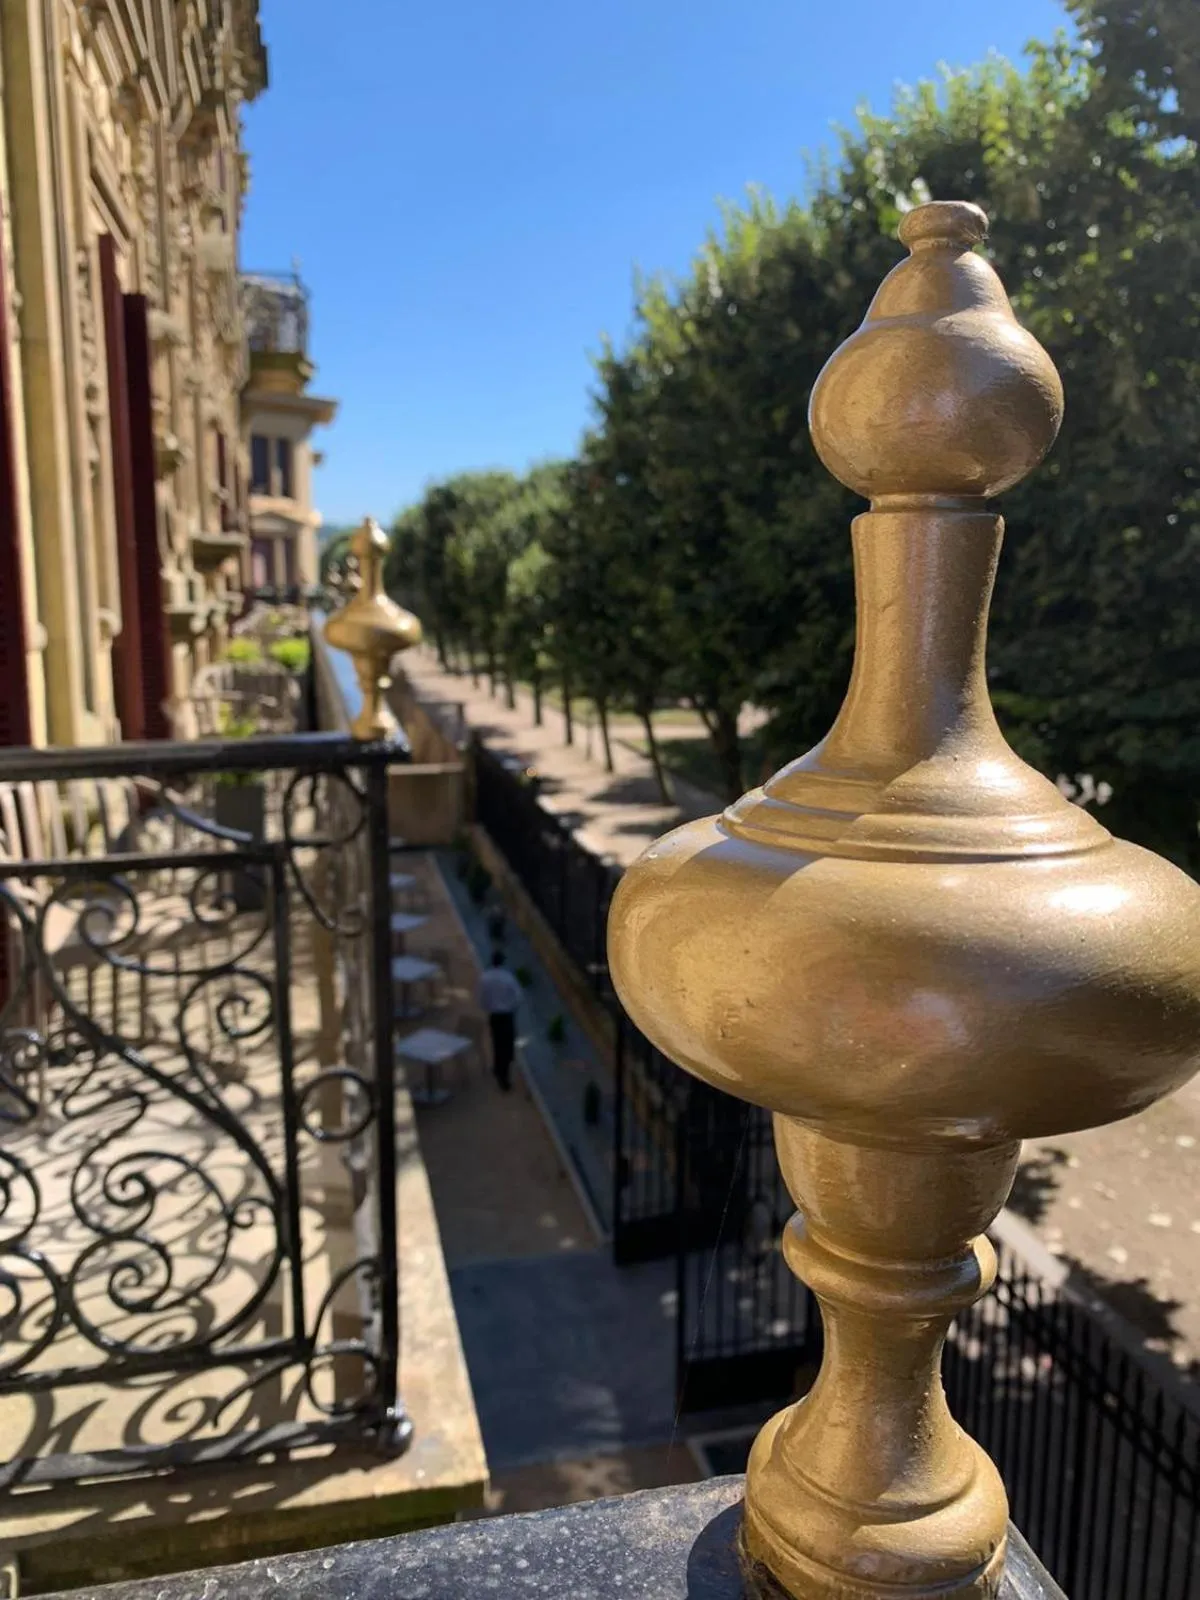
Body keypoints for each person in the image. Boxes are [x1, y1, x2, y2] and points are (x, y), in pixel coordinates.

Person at [477, 950, 522, 1091]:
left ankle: (497, 1068)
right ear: (503, 962)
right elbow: (518, 997)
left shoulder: (485, 978)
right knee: (507, 1047)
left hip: (494, 1016)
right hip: (507, 1016)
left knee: (497, 1043)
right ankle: (504, 1078)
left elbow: (482, 999)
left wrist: (489, 1007)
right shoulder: (508, 978)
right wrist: (511, 1007)